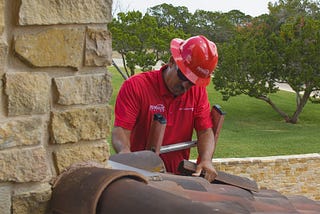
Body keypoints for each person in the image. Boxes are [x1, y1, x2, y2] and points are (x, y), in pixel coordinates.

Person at [112, 35, 219, 181]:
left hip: (177, 177)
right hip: (140, 174)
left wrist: (206, 160)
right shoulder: (136, 86)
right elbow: (121, 130)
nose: (185, 86)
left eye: (192, 82)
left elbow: (205, 131)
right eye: (183, 77)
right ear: (171, 61)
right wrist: (125, 154)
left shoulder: (198, 92)